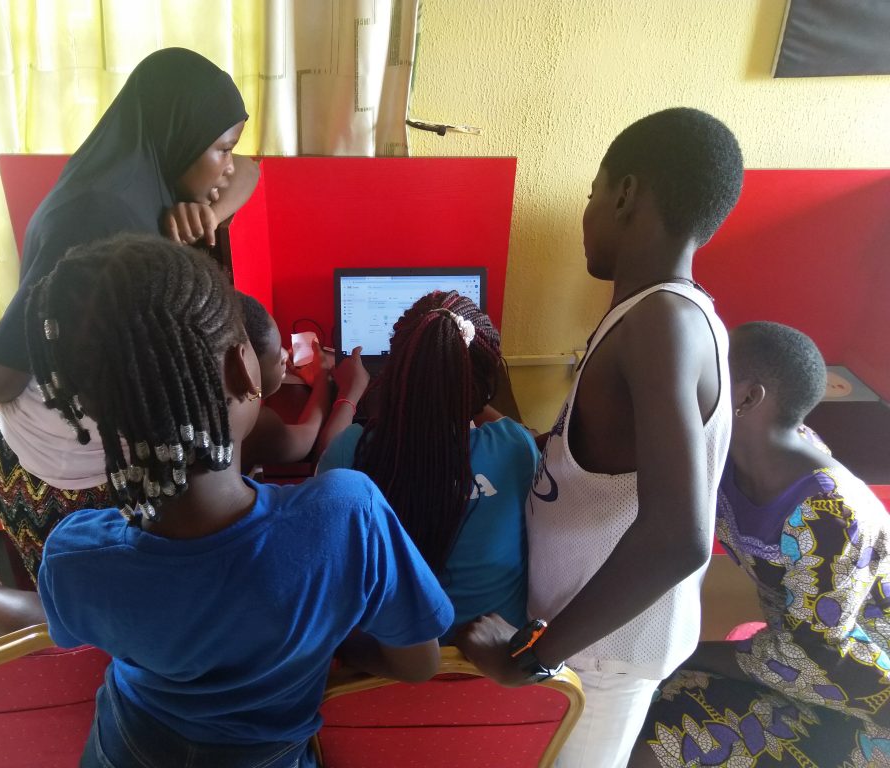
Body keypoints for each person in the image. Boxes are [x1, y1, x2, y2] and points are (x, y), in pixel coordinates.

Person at [29, 234, 452, 767]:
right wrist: (322, 639)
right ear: (242, 369)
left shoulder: (75, 558)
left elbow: (67, 627)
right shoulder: (348, 516)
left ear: (89, 404)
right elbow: (417, 663)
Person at [0, 48, 259, 671]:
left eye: (226, 146)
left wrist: (206, 210)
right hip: (61, 474)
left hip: (114, 446)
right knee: (109, 618)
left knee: (143, 604)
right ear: (178, 135)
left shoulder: (147, 170)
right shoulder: (96, 219)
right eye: (221, 150)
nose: (230, 164)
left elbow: (251, 171)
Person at [458, 107, 744, 768]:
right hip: (588, 641)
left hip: (598, 654)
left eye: (592, 195)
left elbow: (679, 537)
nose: (587, 215)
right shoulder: (666, 313)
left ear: (626, 194)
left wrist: (533, 657)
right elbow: (615, 466)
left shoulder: (659, 325)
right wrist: (534, 439)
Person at [629, 322, 890, 767]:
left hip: (866, 693)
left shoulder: (830, 516)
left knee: (657, 733)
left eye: (705, 375)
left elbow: (815, 657)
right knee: (638, 695)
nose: (687, 384)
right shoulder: (739, 453)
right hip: (795, 659)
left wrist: (681, 654)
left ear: (748, 398)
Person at [317, 290, 537, 641]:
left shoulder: (350, 454)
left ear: (396, 367)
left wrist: (352, 391)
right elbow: (512, 430)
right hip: (493, 680)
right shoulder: (515, 449)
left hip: (384, 684)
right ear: (484, 381)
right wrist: (463, 389)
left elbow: (328, 460)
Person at [237, 293, 370, 471]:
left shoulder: (233, 406)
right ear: (244, 364)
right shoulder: (258, 427)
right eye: (278, 351)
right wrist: (339, 388)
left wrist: (322, 378)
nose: (285, 354)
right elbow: (313, 443)